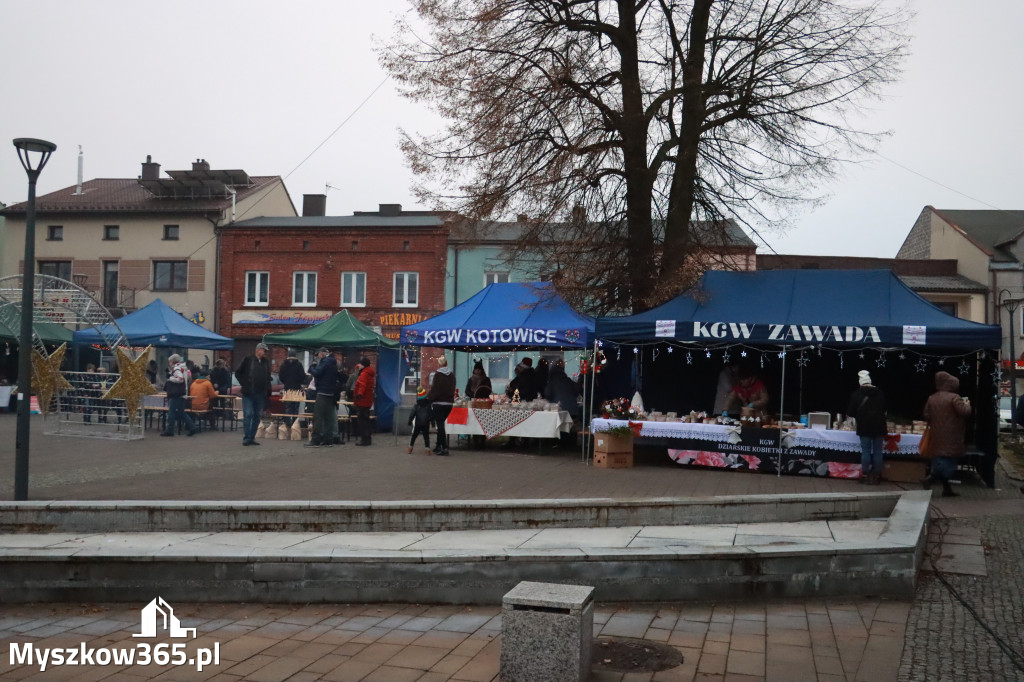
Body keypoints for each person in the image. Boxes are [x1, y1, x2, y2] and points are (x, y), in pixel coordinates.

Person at [923, 370, 972, 497]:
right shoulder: (955, 398)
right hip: (952, 435)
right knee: (948, 463)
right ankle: (930, 479)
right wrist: (967, 405)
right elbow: (964, 412)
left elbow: (926, 415)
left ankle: (947, 489)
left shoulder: (931, 398)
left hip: (936, 435)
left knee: (939, 460)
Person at [846, 370, 887, 484]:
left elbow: (851, 412)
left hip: (864, 427)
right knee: (878, 451)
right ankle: (876, 475)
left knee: (866, 451)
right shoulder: (880, 393)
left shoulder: (856, 394)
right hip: (879, 426)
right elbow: (885, 409)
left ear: (860, 382)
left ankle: (865, 474)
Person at [235, 342, 272, 446]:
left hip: (260, 394)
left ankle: (251, 437)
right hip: (248, 393)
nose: (265, 353)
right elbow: (238, 373)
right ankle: (246, 437)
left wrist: (267, 390)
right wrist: (245, 384)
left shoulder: (265, 362)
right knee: (248, 414)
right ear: (258, 350)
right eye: (264, 350)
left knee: (257, 415)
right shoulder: (248, 360)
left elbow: (268, 376)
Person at [545, 360, 582, 448]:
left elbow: (547, 393)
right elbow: (577, 390)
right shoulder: (568, 380)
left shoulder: (552, 381)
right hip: (572, 408)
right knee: (570, 428)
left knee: (559, 427)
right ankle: (571, 446)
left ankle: (560, 445)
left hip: (559, 408)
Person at [307, 347, 338, 447]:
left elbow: (317, 373)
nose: (318, 357)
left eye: (318, 355)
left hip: (322, 392)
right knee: (328, 418)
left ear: (321, 354)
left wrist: (311, 368)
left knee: (318, 417)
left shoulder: (325, 361)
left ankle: (315, 440)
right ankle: (328, 440)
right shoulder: (333, 362)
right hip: (330, 393)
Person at [162, 354, 197, 437]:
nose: (169, 363)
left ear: (173, 361)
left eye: (170, 361)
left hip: (176, 394)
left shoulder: (177, 368)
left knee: (171, 412)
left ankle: (170, 430)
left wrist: (170, 378)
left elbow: (180, 379)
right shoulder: (183, 368)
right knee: (181, 412)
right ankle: (192, 427)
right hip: (183, 393)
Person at [427, 355, 456, 455]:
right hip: (448, 404)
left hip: (438, 403)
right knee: (441, 425)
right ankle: (438, 445)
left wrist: (429, 398)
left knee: (440, 425)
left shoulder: (438, 375)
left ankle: (444, 447)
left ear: (439, 364)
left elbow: (435, 389)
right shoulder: (452, 375)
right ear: (446, 363)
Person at [278, 351, 308, 428]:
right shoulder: (299, 365)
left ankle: (287, 424)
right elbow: (303, 376)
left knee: (288, 407)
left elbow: (281, 376)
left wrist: (286, 382)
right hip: (297, 389)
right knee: (295, 407)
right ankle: (295, 424)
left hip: (287, 389)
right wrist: (299, 382)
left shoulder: (284, 365)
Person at [353, 356, 376, 446]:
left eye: (360, 364)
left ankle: (364, 440)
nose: (359, 365)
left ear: (363, 365)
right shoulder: (369, 373)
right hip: (367, 400)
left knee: (362, 421)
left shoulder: (364, 374)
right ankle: (368, 439)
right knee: (366, 420)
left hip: (362, 400)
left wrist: (359, 394)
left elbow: (362, 385)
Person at [407, 386, 434, 454]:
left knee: (414, 436)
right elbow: (431, 414)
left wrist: (410, 421)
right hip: (426, 424)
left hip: (418, 424)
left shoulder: (416, 406)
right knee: (426, 437)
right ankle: (427, 449)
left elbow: (412, 414)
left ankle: (410, 448)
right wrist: (433, 422)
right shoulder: (428, 406)